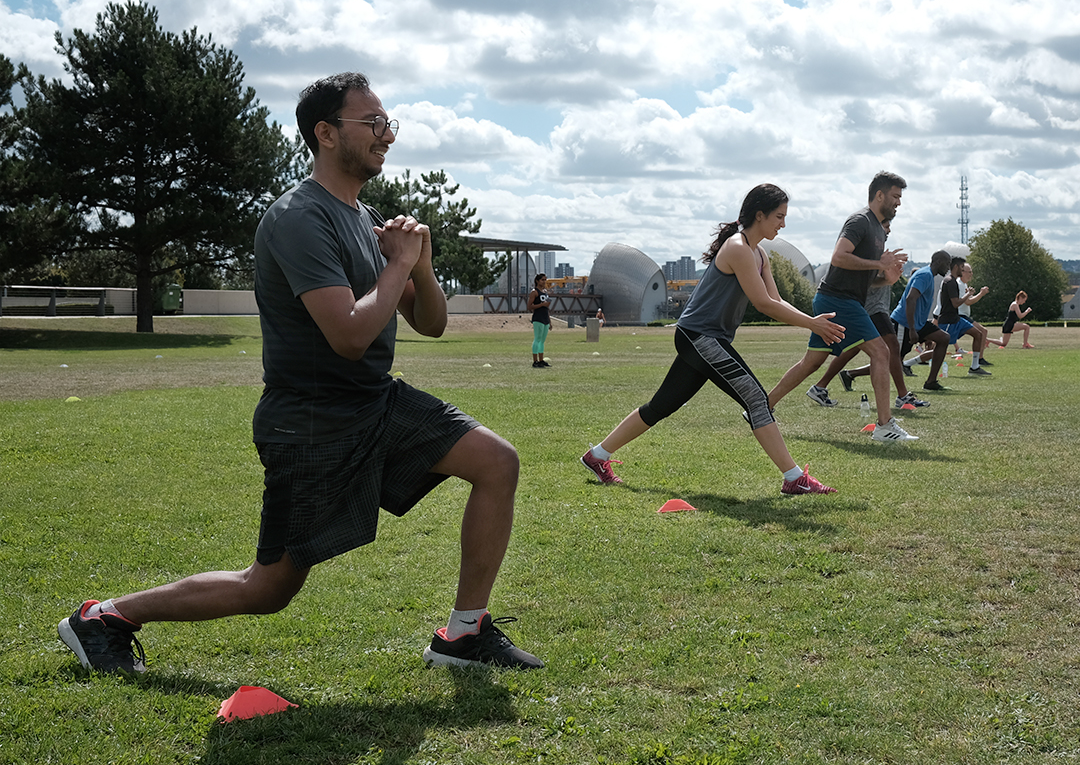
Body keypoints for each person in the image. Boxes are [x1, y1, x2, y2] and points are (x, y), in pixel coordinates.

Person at [57, 71, 543, 674]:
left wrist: (421, 267)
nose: (386, 135)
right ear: (326, 133)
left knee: (497, 461)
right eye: (373, 123)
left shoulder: (367, 219)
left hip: (375, 401)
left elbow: (432, 324)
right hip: (312, 422)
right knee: (268, 588)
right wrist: (398, 264)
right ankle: (104, 617)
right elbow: (348, 334)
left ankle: (463, 635)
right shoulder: (298, 218)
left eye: (388, 123)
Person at [580, 184, 844, 495]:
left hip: (702, 337)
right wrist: (811, 324)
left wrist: (810, 322)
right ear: (759, 215)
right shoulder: (737, 248)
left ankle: (597, 456)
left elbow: (776, 301)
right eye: (779, 216)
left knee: (661, 405)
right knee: (757, 399)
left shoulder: (758, 254)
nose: (783, 224)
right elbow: (762, 304)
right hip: (700, 337)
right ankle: (794, 477)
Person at [764, 172, 913, 443]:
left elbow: (862, 279)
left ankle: (762, 407)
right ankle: (884, 425)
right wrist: (880, 264)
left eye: (900, 198)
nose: (898, 203)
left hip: (839, 299)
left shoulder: (880, 230)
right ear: (879, 195)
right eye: (895, 197)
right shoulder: (860, 221)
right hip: (838, 300)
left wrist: (884, 278)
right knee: (882, 352)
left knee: (811, 362)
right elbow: (839, 257)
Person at [814, 219, 929, 411]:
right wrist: (883, 270)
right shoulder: (869, 251)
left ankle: (821, 386)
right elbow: (865, 280)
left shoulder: (878, 252)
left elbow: (875, 280)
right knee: (891, 346)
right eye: (885, 226)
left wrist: (888, 274)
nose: (888, 230)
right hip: (870, 308)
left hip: (874, 308)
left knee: (849, 349)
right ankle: (902, 397)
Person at [890, 250, 953, 390]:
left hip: (918, 323)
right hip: (904, 323)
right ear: (938, 262)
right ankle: (851, 374)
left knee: (943, 338)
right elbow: (910, 299)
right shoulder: (924, 275)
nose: (948, 267)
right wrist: (912, 329)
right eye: (947, 263)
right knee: (892, 360)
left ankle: (931, 382)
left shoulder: (929, 275)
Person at [938, 257, 993, 376]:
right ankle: (910, 362)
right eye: (963, 268)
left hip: (956, 319)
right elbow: (957, 303)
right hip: (949, 320)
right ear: (957, 267)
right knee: (939, 348)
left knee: (979, 333)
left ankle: (975, 367)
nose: (967, 272)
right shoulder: (951, 282)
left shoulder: (955, 281)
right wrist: (973, 294)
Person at [527, 273, 552, 367]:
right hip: (538, 318)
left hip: (545, 317)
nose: (544, 282)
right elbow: (529, 306)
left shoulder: (545, 291)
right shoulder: (534, 292)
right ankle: (535, 361)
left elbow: (547, 307)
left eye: (545, 280)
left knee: (542, 340)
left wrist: (549, 320)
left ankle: (541, 360)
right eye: (542, 280)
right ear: (537, 281)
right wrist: (541, 305)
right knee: (537, 339)